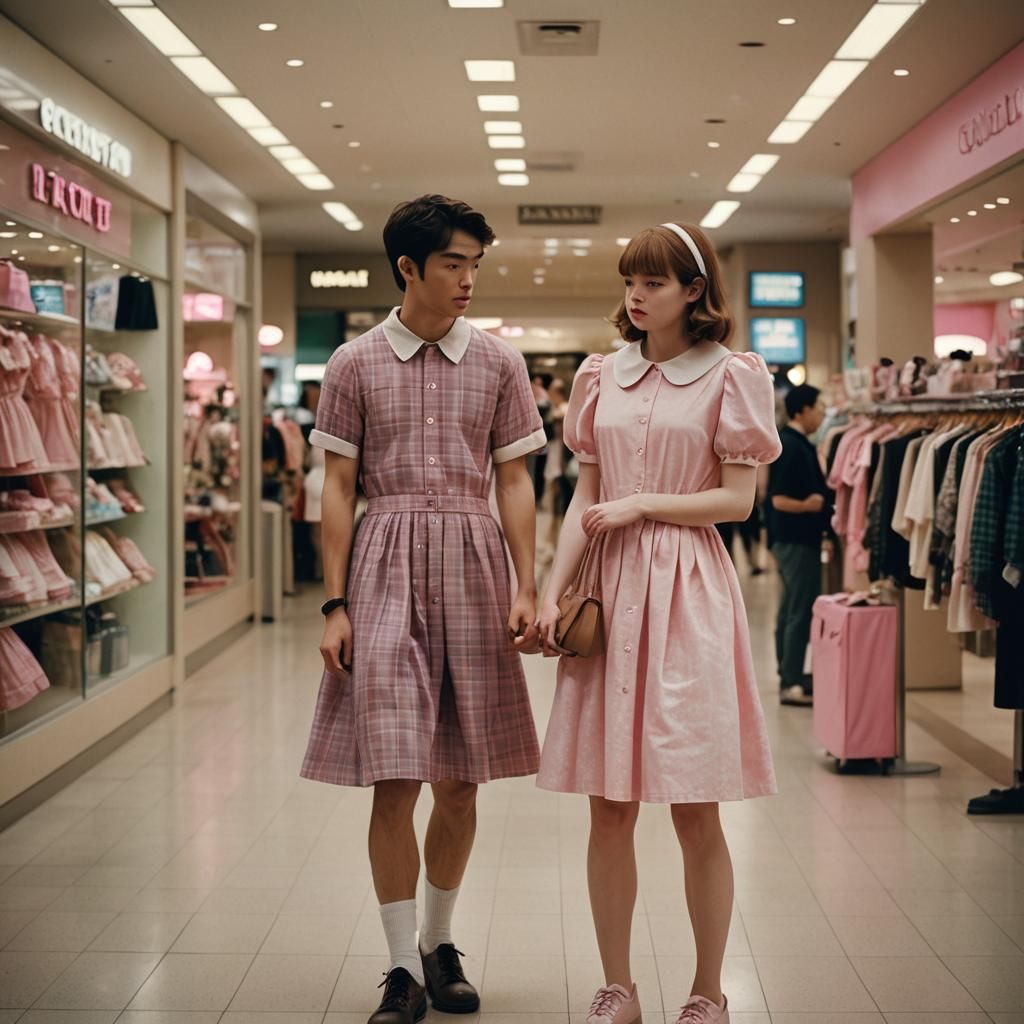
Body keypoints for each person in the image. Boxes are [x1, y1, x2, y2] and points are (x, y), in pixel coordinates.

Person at [302, 195, 547, 1024]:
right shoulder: (353, 362)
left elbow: (515, 477)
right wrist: (333, 602)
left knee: (463, 779)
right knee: (394, 776)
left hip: (476, 564)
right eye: (454, 263)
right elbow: (336, 487)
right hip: (384, 566)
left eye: (476, 263)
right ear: (407, 267)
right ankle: (401, 966)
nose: (469, 278)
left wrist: (527, 581)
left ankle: (441, 945)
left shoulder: (500, 362)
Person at [536, 222, 781, 1024]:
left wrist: (644, 503)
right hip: (609, 592)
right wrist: (552, 586)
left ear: (694, 290)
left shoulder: (732, 375)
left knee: (694, 803)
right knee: (608, 806)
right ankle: (620, 989)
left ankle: (708, 990)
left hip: (687, 590)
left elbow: (739, 499)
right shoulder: (602, 374)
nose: (635, 297)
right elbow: (583, 492)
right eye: (630, 282)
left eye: (653, 283)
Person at [767, 383, 829, 707]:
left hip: (792, 539)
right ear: (801, 410)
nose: (822, 414)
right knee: (799, 610)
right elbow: (778, 500)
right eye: (818, 407)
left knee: (791, 608)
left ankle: (788, 673)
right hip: (795, 539)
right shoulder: (791, 446)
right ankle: (791, 680)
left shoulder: (792, 443)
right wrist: (811, 505)